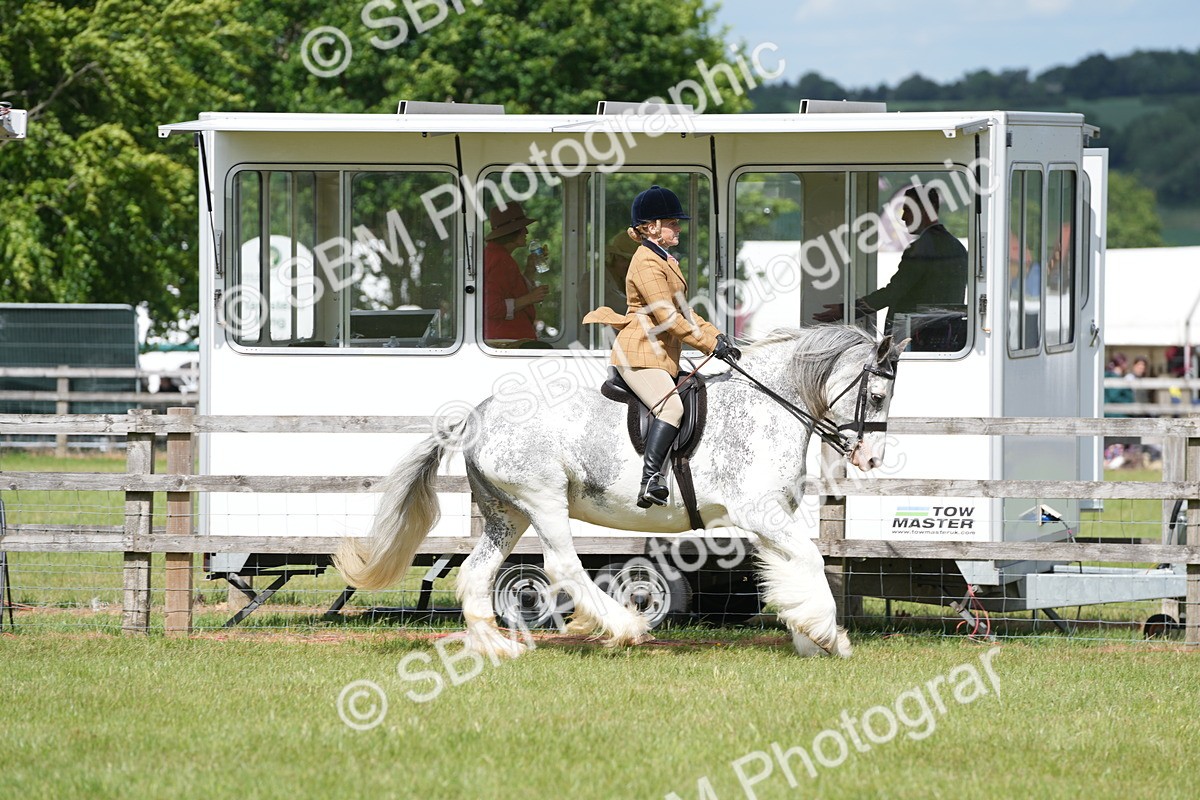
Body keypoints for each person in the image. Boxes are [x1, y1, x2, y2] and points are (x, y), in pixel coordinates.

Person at [584, 185, 738, 508]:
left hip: (659, 357)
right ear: (651, 227)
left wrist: (718, 337)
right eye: (672, 222)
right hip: (638, 355)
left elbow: (687, 312)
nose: (678, 227)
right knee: (671, 407)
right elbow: (669, 319)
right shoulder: (646, 264)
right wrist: (709, 344)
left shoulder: (666, 261)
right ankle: (650, 477)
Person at [815, 185, 968, 341]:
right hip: (947, 337)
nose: (903, 218)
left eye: (907, 210)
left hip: (916, 337)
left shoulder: (920, 249)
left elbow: (893, 292)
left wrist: (846, 310)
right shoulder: (958, 247)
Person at [482, 203, 549, 346]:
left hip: (508, 339)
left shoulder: (499, 256)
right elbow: (491, 307)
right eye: (522, 228)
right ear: (511, 232)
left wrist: (530, 269)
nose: (526, 232)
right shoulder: (499, 260)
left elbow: (511, 293)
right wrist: (531, 298)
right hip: (507, 341)